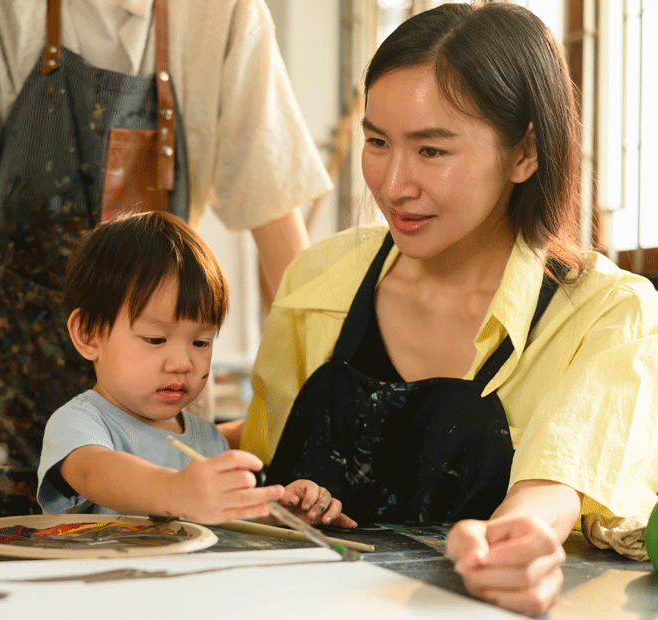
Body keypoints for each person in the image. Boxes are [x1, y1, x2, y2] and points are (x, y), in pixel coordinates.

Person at [237, 4, 658, 616]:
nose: (394, 183)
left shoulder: (606, 314)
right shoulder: (321, 279)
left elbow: (555, 485)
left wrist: (510, 546)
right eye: (377, 142)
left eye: (432, 151)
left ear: (525, 153)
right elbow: (266, 467)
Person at [0, 0, 333, 473]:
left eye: (205, 342)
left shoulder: (223, 11)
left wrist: (328, 379)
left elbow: (272, 205)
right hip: (6, 379)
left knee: (163, 530)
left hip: (159, 404)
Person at [38, 212, 354, 527]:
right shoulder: (80, 422)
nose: (183, 363)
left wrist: (284, 514)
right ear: (88, 334)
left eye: (201, 343)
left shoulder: (207, 438)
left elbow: (231, 520)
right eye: (156, 339)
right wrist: (173, 491)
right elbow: (92, 471)